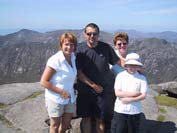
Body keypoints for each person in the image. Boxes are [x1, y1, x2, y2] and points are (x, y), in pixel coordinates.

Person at [75, 23, 119, 133]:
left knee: (100, 119)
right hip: (85, 91)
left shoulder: (106, 48)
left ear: (98, 35)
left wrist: (135, 68)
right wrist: (94, 86)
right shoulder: (79, 50)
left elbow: (118, 62)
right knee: (86, 118)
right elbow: (79, 74)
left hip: (102, 92)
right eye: (89, 33)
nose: (92, 36)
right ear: (85, 34)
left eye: (94, 34)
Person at [40, 32, 77, 133]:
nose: (69, 47)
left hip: (70, 97)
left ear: (74, 46)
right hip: (55, 98)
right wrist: (61, 92)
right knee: (55, 125)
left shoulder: (72, 57)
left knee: (66, 124)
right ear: (61, 45)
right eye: (66, 44)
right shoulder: (55, 60)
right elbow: (43, 81)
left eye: (71, 44)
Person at [111, 52, 148, 133]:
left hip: (135, 110)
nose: (132, 67)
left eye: (135, 65)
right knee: (118, 130)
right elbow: (117, 93)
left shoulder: (142, 78)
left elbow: (144, 95)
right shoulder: (120, 76)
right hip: (120, 110)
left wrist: (128, 100)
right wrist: (134, 94)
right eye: (130, 65)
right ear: (126, 65)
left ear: (138, 66)